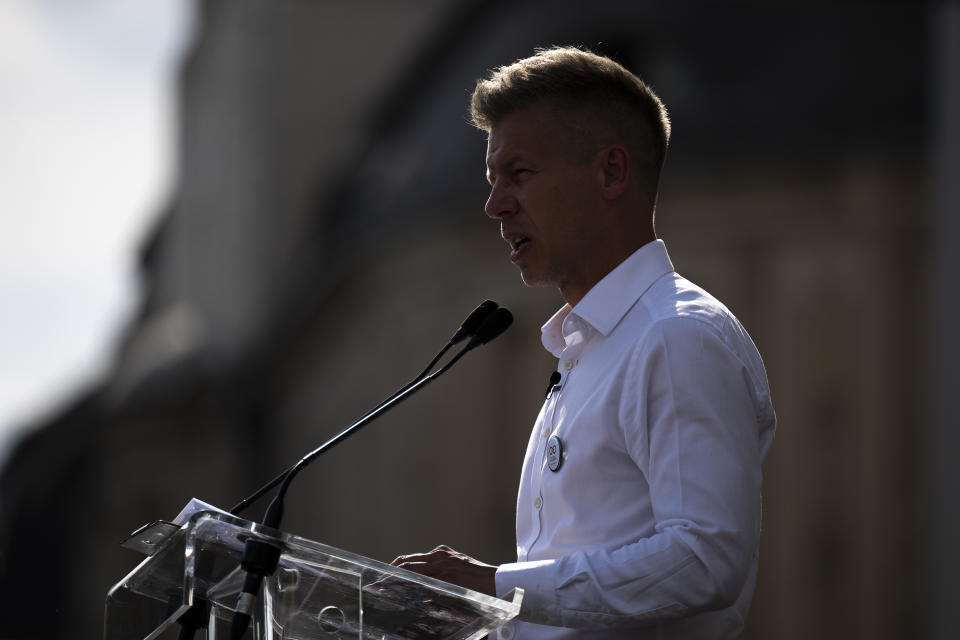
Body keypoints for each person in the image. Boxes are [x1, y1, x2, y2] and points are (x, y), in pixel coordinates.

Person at [392, 46, 776, 640]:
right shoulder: (590, 349)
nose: (495, 206)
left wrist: (496, 588)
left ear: (611, 173)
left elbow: (705, 559)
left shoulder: (676, 338)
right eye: (493, 181)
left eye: (518, 174)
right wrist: (474, 619)